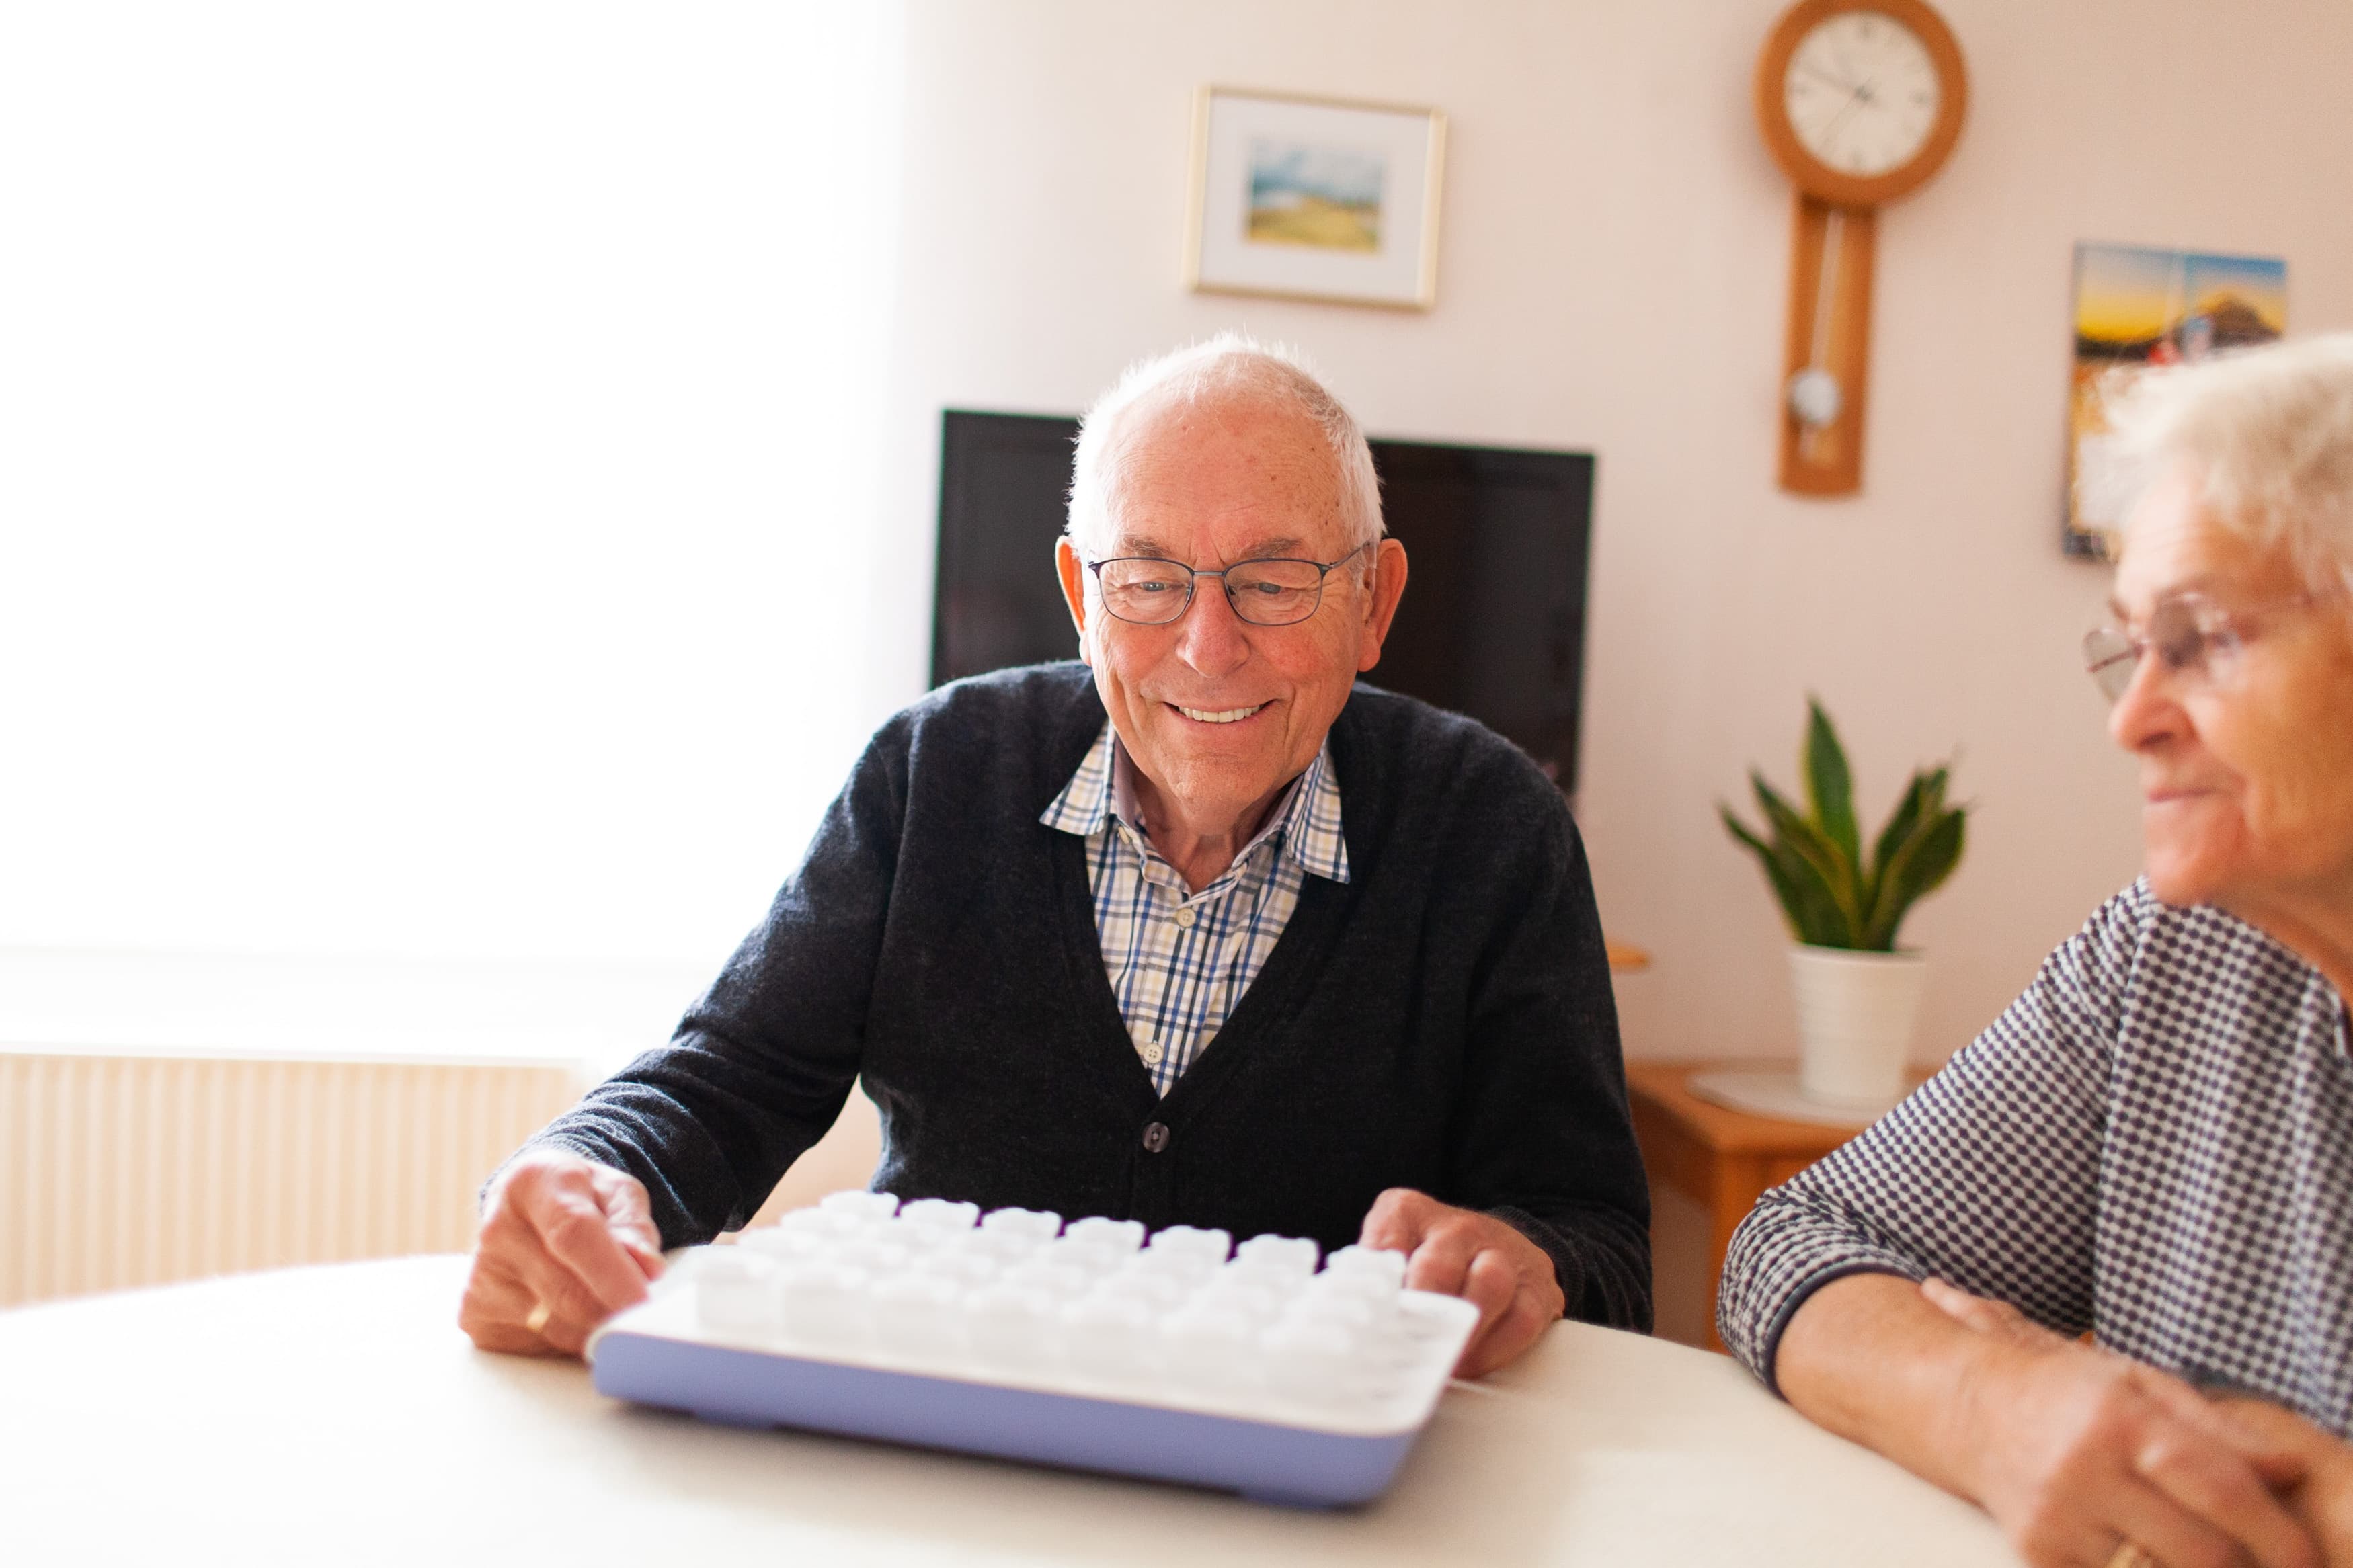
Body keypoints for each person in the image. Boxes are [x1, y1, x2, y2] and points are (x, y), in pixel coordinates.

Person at [461, 335, 1651, 1376]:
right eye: (1148, 580)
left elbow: (1597, 1242)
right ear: (1082, 595)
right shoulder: (933, 772)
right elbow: (720, 1083)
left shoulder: (1495, 826)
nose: (1206, 645)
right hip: (945, 1450)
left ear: (1374, 603)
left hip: (1317, 1488)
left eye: (1273, 582)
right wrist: (585, 1167)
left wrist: (1524, 1261)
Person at [1718, 333, 2353, 1568]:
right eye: (2130, 646)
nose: (2132, 719)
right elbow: (1790, 1243)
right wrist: (1998, 1404)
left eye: (2204, 639)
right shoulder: (2172, 953)